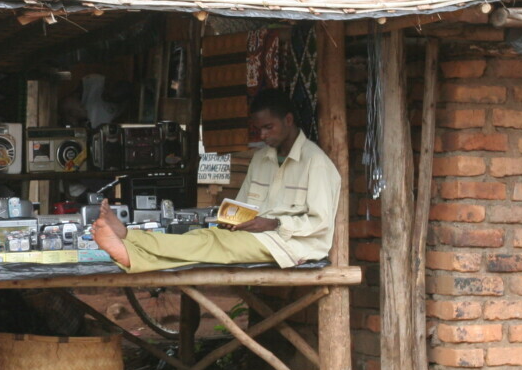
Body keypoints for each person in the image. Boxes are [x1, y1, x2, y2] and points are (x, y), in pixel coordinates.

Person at [91, 88, 340, 272]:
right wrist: (232, 220)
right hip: (256, 237)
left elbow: (321, 223)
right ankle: (129, 250)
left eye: (268, 127)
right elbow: (242, 208)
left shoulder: (315, 163)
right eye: (258, 130)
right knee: (204, 238)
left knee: (209, 242)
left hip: (292, 246)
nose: (263, 135)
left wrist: (273, 224)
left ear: (288, 120)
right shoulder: (261, 158)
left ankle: (128, 243)